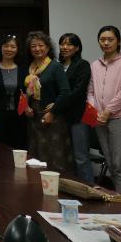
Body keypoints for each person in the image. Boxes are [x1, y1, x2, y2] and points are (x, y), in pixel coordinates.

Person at [87, 25, 121, 195]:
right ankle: (117, 200)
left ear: (118, 41)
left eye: (110, 39)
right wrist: (95, 111)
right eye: (102, 39)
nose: (106, 43)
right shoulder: (95, 64)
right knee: (110, 163)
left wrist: (107, 111)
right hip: (100, 120)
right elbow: (90, 91)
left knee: (120, 165)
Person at [24, 30, 73, 172]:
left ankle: (59, 184)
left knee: (55, 155)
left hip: (52, 116)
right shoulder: (29, 67)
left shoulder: (55, 66)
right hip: (34, 117)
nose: (37, 49)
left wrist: (53, 112)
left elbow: (65, 92)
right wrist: (26, 106)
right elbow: (25, 92)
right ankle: (37, 184)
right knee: (36, 154)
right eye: (33, 46)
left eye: (41, 45)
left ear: (48, 47)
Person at [0, 35, 28, 149]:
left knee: (18, 150)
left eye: (13, 47)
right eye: (6, 46)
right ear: (0, 48)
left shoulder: (24, 70)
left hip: (19, 118)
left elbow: (27, 93)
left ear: (17, 49)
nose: (9, 49)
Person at [58, 33, 93, 184]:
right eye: (62, 44)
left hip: (78, 116)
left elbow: (79, 91)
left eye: (69, 44)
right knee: (65, 155)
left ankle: (88, 189)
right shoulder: (57, 65)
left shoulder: (82, 65)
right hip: (60, 117)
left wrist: (58, 103)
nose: (64, 47)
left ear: (77, 48)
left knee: (81, 156)